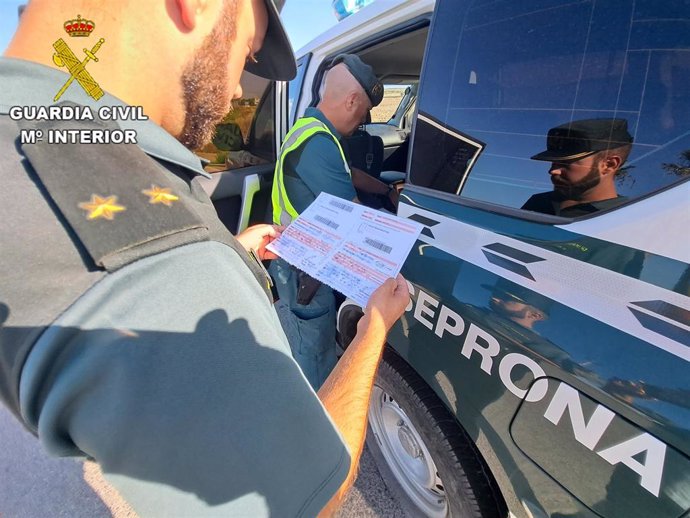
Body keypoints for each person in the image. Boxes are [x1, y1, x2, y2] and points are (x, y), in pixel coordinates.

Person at [0, 1, 409, 516]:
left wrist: (229, 252)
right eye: (248, 50)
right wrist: (373, 326)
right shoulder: (156, 248)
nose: (240, 88)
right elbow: (309, 499)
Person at [269, 54, 398, 388]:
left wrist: (385, 189)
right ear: (352, 99)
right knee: (314, 348)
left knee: (312, 338)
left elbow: (347, 174)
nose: (362, 122)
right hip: (305, 270)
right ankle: (320, 416)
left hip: (300, 260)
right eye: (363, 112)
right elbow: (355, 217)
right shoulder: (318, 143)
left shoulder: (314, 131)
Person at [522, 118, 634, 217]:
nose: (553, 171)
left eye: (566, 163)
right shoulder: (539, 203)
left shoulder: (626, 220)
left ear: (609, 165)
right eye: (553, 162)